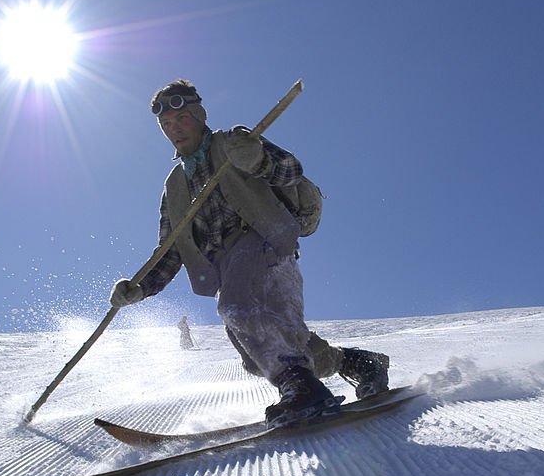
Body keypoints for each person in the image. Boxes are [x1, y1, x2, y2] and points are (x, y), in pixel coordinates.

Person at [110, 79, 389, 428]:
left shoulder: (232, 141)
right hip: (226, 266)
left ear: (199, 115)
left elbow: (290, 170)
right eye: (166, 125)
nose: (174, 129)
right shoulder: (174, 186)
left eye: (181, 118)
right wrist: (140, 287)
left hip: (263, 241)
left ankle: (302, 389)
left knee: (237, 308)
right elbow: (170, 250)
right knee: (257, 352)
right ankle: (358, 363)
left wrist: (257, 159)